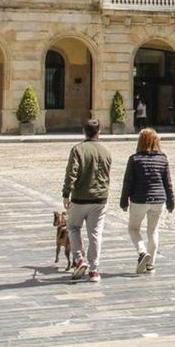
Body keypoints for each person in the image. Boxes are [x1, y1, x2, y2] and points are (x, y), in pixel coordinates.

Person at [62, 119, 112, 283]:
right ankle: (94, 270)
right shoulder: (106, 150)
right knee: (95, 234)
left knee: (73, 227)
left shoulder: (78, 149)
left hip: (80, 197)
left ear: (84, 131)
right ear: (99, 132)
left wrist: (66, 194)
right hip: (99, 199)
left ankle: (79, 259)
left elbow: (71, 173)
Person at [119, 128, 175, 274]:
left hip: (140, 199)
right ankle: (151, 264)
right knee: (153, 231)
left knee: (133, 229)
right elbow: (168, 182)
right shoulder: (163, 158)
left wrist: (124, 201)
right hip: (159, 200)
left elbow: (128, 182)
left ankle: (142, 252)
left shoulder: (135, 159)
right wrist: (171, 202)